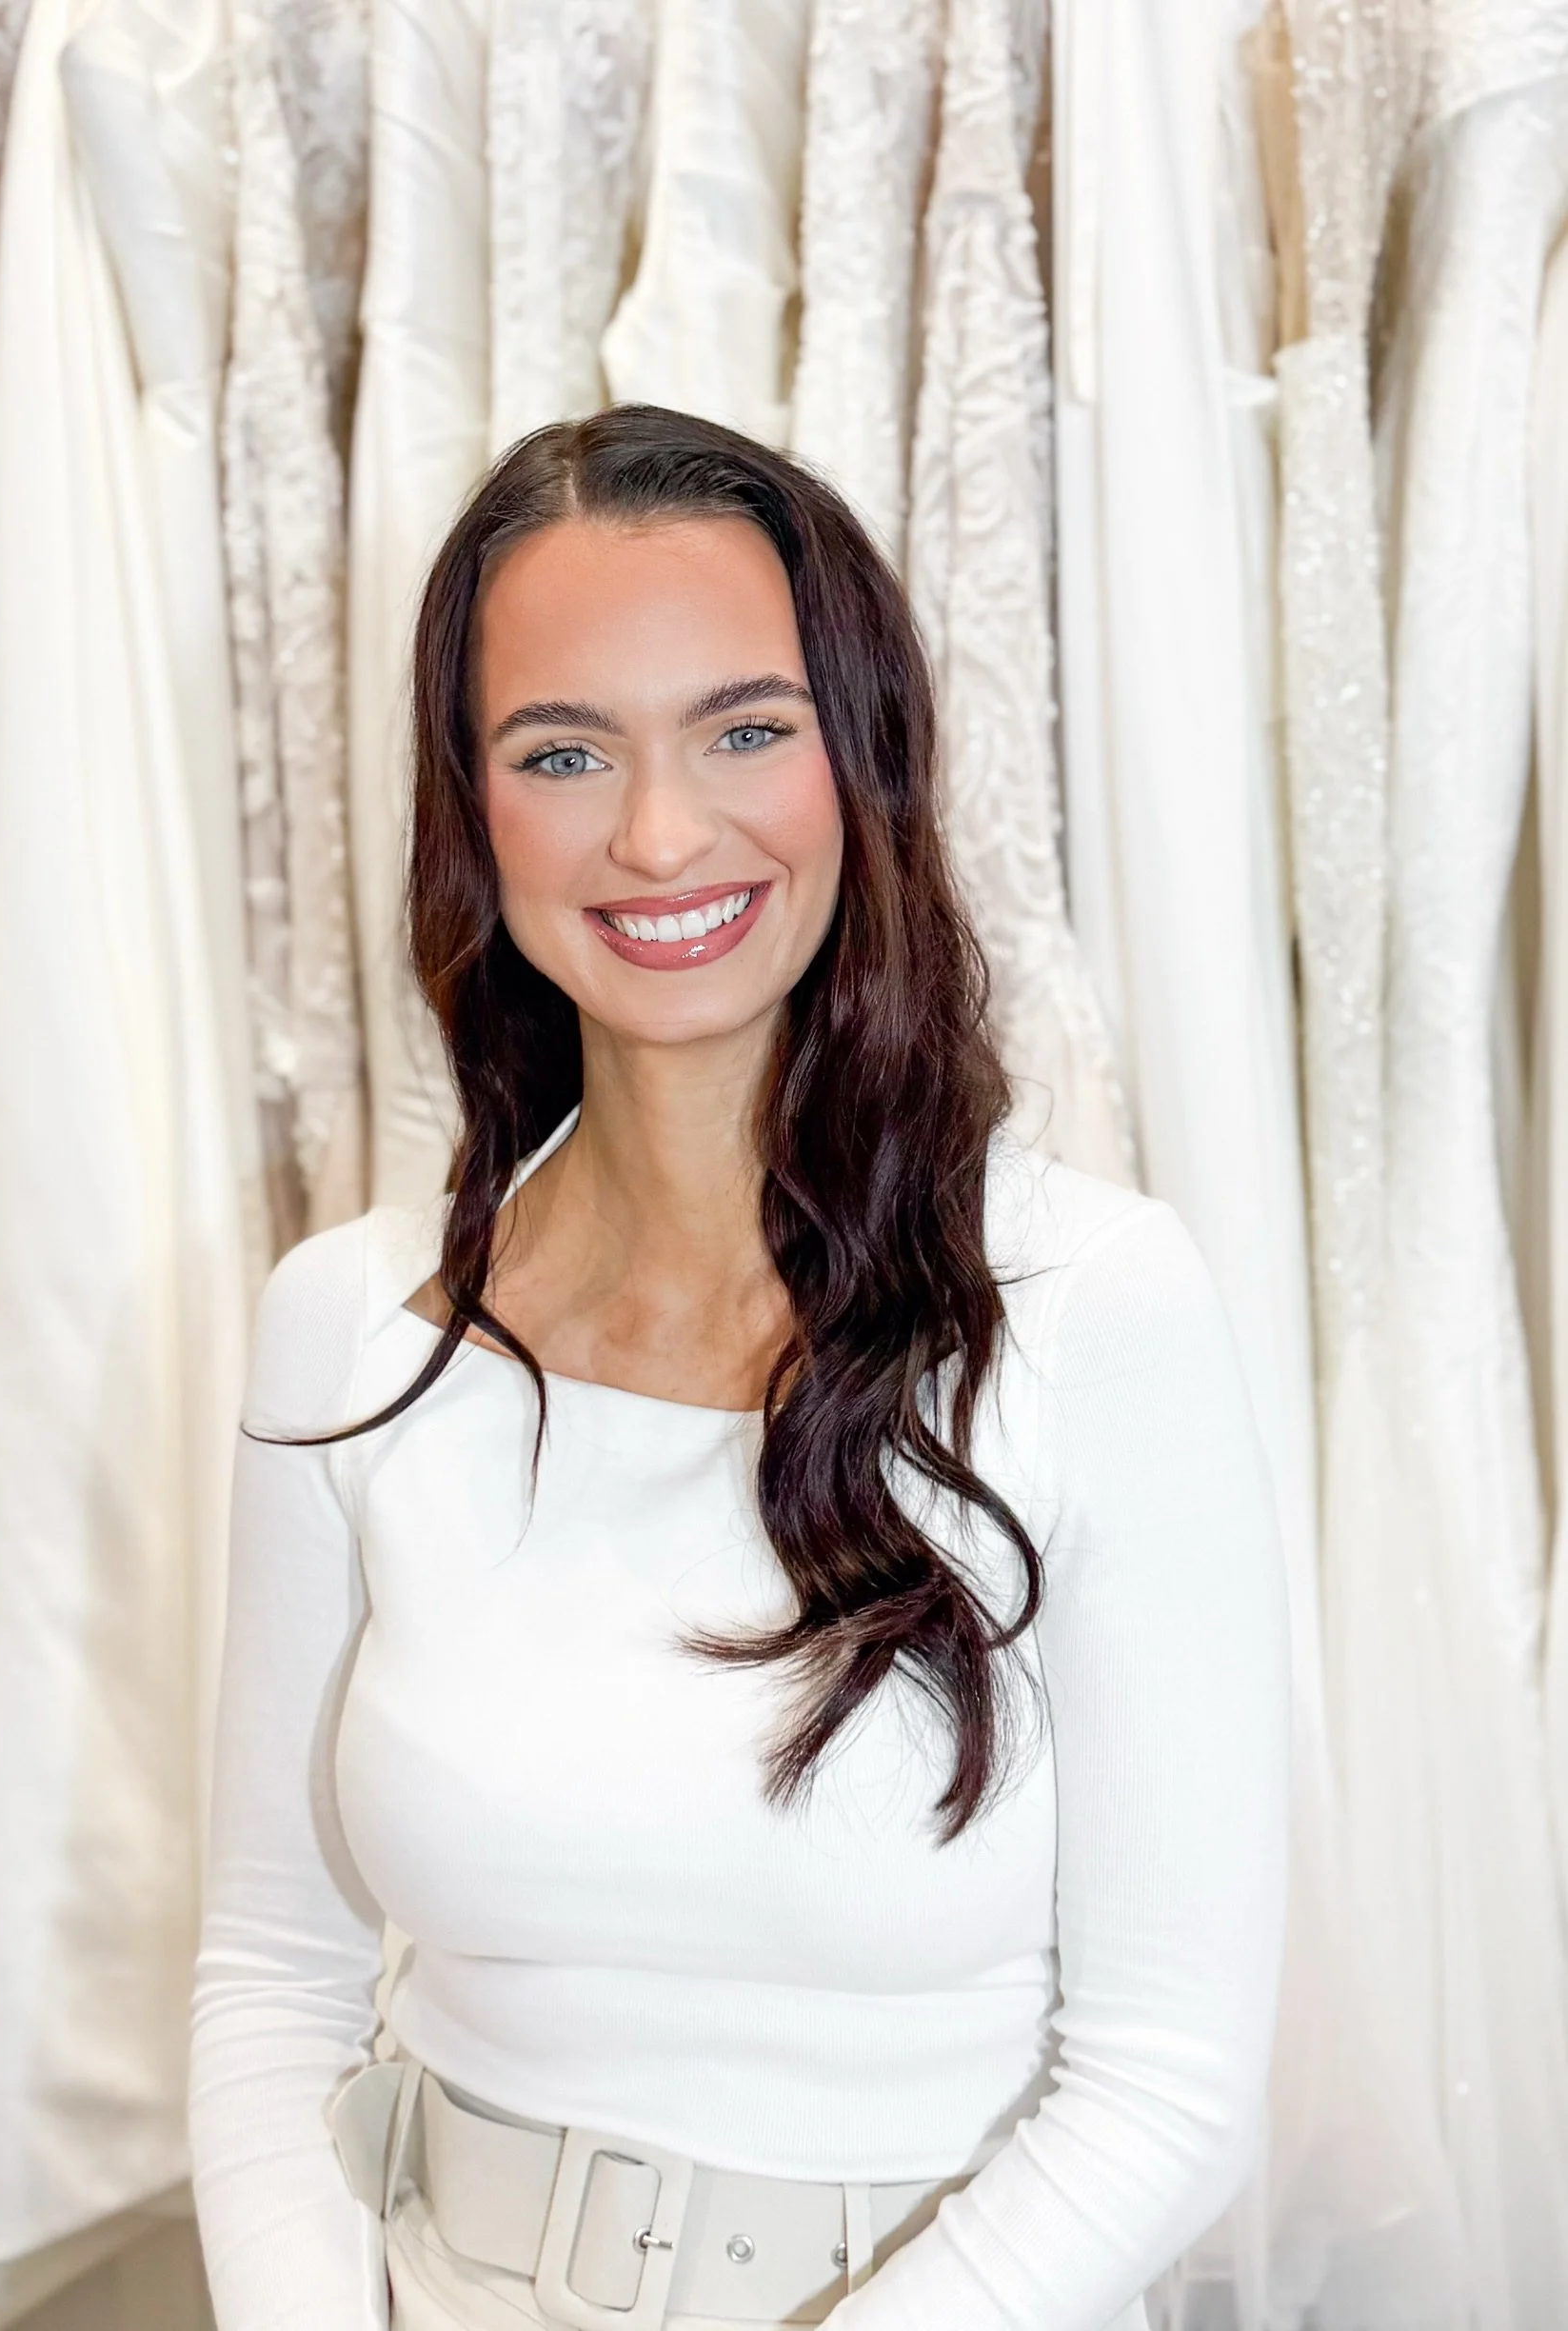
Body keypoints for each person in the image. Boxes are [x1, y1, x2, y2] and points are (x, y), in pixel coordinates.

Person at [189, 405, 1291, 2331]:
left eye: (743, 728)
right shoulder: (349, 1328)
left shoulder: (1097, 1306)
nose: (658, 832)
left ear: (862, 758)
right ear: (476, 807)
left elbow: (1167, 2078)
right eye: (563, 751)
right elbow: (270, 1976)